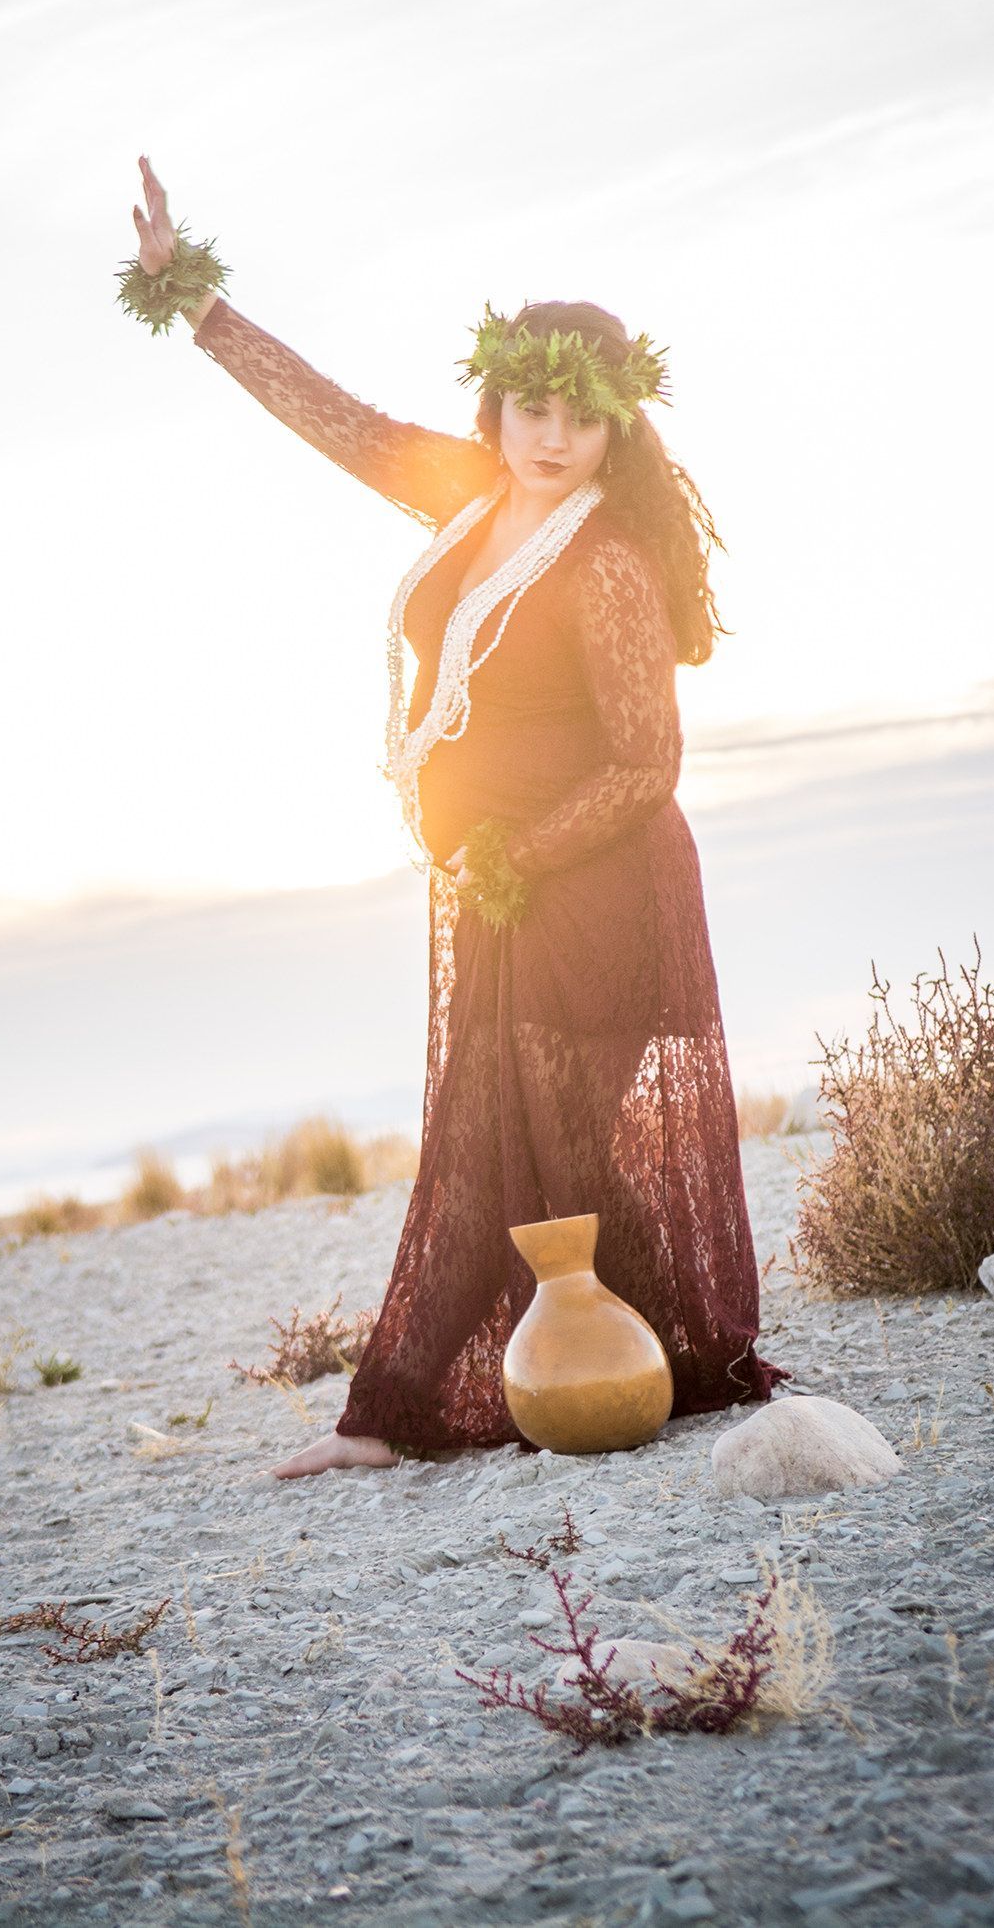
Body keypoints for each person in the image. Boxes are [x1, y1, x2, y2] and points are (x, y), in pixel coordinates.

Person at [124, 155, 790, 1478]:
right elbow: (332, 419)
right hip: (510, 884)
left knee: (500, 1147)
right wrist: (193, 302)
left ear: (618, 429)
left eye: (582, 418)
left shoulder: (602, 564)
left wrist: (514, 856)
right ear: (494, 408)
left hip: (593, 885)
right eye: (531, 407)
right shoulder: (469, 498)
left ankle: (388, 1419)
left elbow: (647, 764)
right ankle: (694, 1368)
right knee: (547, 1151)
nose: (553, 435)